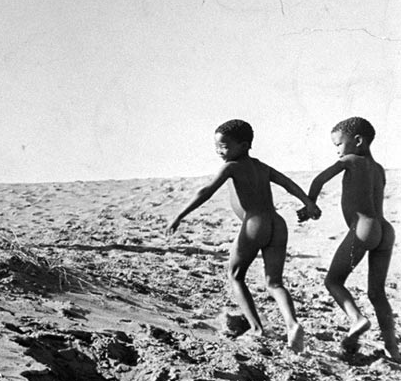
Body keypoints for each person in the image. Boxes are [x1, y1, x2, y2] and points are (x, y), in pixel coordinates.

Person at [166, 119, 320, 352]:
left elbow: (206, 191)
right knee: (274, 282)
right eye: (217, 147)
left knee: (235, 274)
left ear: (244, 145)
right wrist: (308, 203)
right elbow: (288, 184)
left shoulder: (232, 167)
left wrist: (180, 215)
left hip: (255, 223)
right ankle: (293, 324)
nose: (220, 151)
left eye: (225, 146)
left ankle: (257, 329)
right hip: (277, 223)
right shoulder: (262, 166)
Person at [297, 117, 399, 361]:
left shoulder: (350, 160)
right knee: (377, 292)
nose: (337, 150)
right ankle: (392, 348)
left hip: (363, 228)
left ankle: (357, 319)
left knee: (333, 281)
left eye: (338, 144)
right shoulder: (378, 168)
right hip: (384, 231)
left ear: (358, 141)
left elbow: (319, 179)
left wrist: (310, 204)